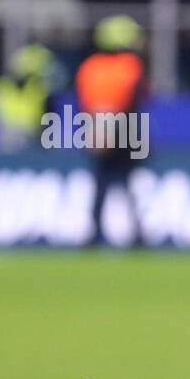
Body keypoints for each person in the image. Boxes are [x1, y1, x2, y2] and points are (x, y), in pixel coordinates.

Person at [77, 14, 147, 245]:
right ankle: (136, 234)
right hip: (125, 133)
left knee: (101, 184)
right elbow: (135, 99)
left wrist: (98, 131)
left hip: (99, 131)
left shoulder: (89, 66)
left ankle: (94, 233)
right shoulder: (131, 66)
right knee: (127, 184)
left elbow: (88, 103)